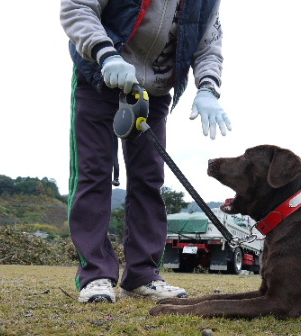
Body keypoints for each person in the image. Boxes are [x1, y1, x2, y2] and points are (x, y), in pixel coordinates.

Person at [60, 0, 232, 303]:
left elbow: (209, 43)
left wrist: (207, 87)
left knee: (149, 180)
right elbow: (77, 8)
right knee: (93, 173)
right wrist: (105, 53)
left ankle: (143, 275)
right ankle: (96, 275)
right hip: (99, 77)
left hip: (153, 91)